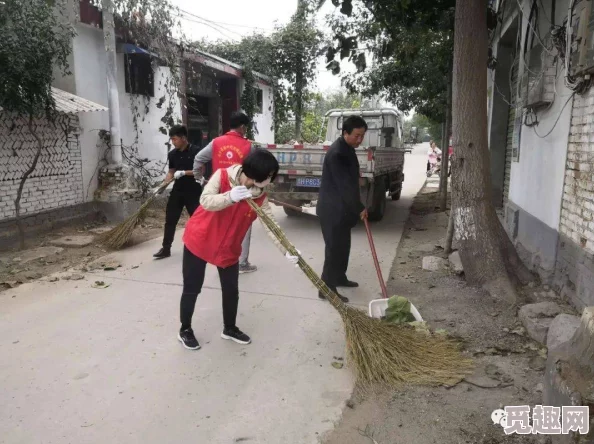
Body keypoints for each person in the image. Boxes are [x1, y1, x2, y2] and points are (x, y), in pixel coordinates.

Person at [178, 150, 299, 350]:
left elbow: (271, 226)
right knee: (192, 287)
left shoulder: (260, 197)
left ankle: (230, 328)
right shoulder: (223, 175)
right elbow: (205, 200)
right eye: (268, 177)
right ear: (253, 174)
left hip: (228, 247)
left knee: (231, 290)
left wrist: (288, 250)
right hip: (200, 239)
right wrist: (229, 197)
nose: (269, 181)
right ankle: (185, 329)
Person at [193, 111, 260, 275]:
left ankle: (219, 258)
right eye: (246, 128)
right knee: (242, 227)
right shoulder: (248, 146)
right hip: (242, 193)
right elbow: (256, 168)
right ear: (243, 127)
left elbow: (198, 159)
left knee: (220, 225)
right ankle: (241, 263)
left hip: (219, 191)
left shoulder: (216, 142)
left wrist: (200, 178)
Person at [316, 115, 369, 304]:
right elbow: (344, 186)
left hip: (343, 210)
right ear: (345, 133)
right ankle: (326, 289)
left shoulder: (348, 148)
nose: (360, 140)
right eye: (356, 136)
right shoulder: (338, 152)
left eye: (362, 136)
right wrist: (360, 207)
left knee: (343, 247)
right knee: (333, 249)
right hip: (332, 210)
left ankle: (339, 277)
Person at [153, 125, 202, 260]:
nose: (173, 142)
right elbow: (171, 172)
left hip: (193, 191)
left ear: (183, 138)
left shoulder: (196, 152)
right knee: (170, 220)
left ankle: (200, 247)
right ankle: (166, 248)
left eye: (174, 139)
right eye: (171, 139)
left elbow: (200, 171)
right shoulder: (172, 154)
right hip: (178, 191)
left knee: (197, 220)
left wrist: (185, 173)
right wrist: (162, 186)